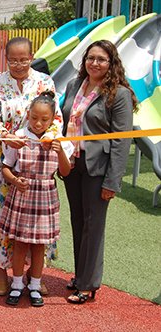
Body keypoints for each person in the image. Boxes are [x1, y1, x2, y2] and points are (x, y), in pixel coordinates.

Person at [0, 37, 63, 296]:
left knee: (34, 221)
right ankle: (1, 271)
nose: (19, 64)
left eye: (24, 59)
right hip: (2, 162)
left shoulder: (45, 82)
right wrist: (5, 135)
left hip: (36, 166)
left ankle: (33, 273)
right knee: (0, 219)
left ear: (31, 57)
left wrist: (48, 136)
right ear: (5, 59)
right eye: (13, 60)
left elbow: (56, 118)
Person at [61, 40, 136, 304]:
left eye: (101, 59)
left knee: (93, 225)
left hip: (98, 168)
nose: (95, 63)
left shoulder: (119, 93)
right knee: (78, 221)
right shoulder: (74, 85)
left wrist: (112, 181)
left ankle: (88, 283)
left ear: (111, 63)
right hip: (73, 164)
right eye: (91, 58)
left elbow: (122, 141)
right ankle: (80, 274)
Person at [0, 91, 73, 307]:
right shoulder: (20, 136)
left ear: (52, 119)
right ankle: (17, 284)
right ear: (28, 115)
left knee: (40, 246)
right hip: (22, 195)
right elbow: (5, 167)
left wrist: (60, 152)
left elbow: (65, 172)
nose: (38, 123)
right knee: (20, 244)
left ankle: (35, 285)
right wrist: (14, 180)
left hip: (45, 197)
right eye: (34, 118)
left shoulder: (59, 139)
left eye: (44, 119)